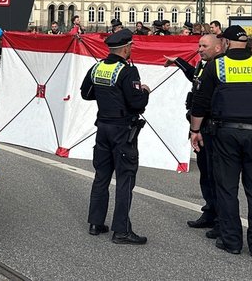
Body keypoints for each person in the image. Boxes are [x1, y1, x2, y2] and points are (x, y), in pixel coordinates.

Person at [190, 25, 252, 258]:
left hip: (225, 134)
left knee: (226, 188)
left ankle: (231, 241)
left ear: (225, 43)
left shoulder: (217, 65)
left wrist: (195, 130)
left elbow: (201, 101)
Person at [80, 29, 151, 245]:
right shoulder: (128, 71)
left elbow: (85, 93)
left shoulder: (97, 67)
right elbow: (137, 103)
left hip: (102, 127)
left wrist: (106, 96)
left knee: (101, 175)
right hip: (123, 130)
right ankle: (121, 230)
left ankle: (95, 222)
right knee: (125, 178)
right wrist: (145, 92)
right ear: (126, 48)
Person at [165, 34, 226, 239]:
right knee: (205, 173)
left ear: (218, 48)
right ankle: (209, 212)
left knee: (215, 175)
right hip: (200, 129)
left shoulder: (219, 67)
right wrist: (179, 62)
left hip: (211, 128)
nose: (199, 49)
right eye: (199, 45)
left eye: (204, 46)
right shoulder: (203, 64)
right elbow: (194, 77)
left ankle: (220, 220)